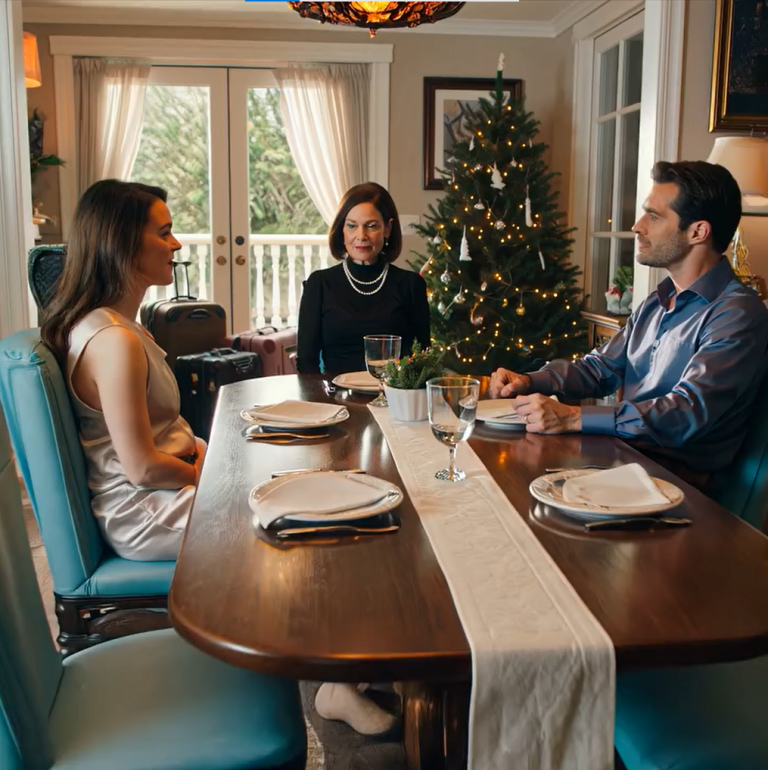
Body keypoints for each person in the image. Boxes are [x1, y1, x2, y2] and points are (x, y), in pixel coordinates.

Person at [489, 160, 768, 484]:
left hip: (676, 487)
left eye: (654, 216)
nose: (637, 226)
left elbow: (686, 412)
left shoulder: (737, 314)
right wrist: (529, 380)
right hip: (623, 462)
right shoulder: (657, 301)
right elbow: (599, 369)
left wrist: (573, 417)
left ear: (698, 231)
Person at [41, 179, 205, 561]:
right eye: (164, 234)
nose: (176, 244)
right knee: (276, 523)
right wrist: (207, 478)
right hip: (145, 510)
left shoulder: (119, 326)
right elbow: (143, 468)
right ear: (124, 245)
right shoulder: (115, 341)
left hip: (162, 491)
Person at [297, 182, 430, 374]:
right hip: (335, 400)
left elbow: (422, 361)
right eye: (352, 226)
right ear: (342, 230)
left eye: (371, 226)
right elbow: (306, 364)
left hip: (392, 399)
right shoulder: (319, 284)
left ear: (387, 229)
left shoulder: (411, 285)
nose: (361, 235)